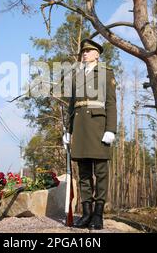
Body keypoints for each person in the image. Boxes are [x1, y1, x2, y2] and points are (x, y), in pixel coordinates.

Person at [63, 39, 117, 230]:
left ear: (97, 54)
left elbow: (111, 103)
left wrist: (111, 129)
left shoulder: (105, 73)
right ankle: (86, 213)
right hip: (80, 128)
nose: (84, 53)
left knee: (100, 173)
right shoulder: (76, 75)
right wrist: (68, 131)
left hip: (98, 127)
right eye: (83, 51)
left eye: (89, 51)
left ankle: (98, 214)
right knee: (84, 173)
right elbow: (71, 106)